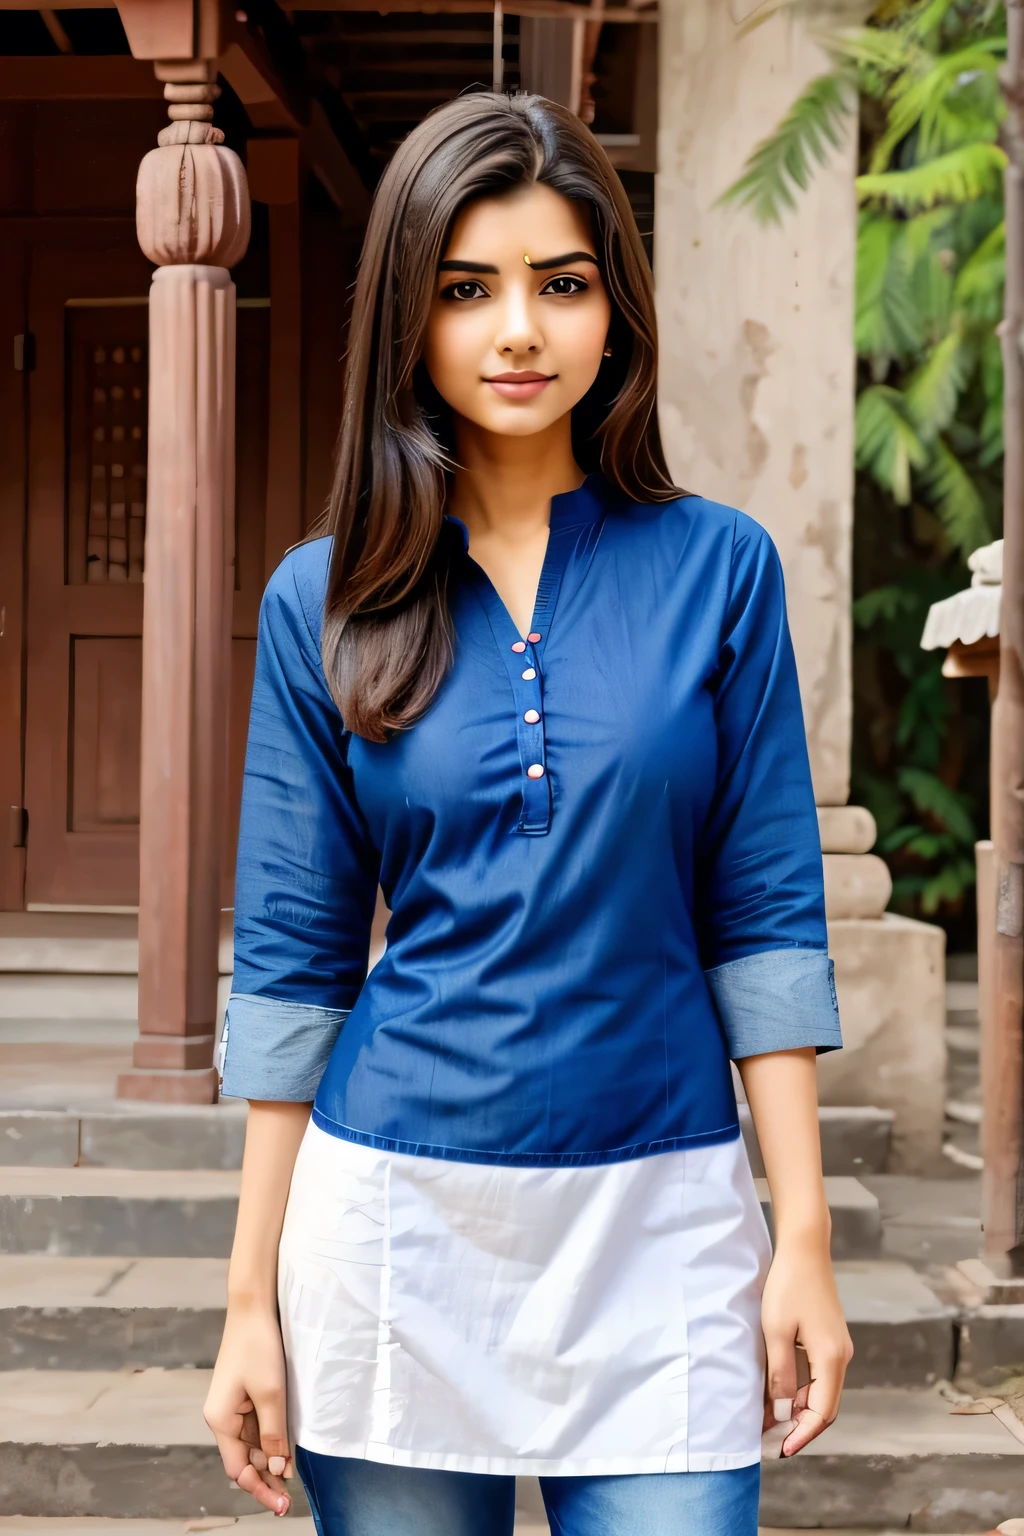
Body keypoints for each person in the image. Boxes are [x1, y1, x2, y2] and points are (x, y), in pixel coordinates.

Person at [204, 91, 853, 1536]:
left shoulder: (720, 571)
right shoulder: (323, 601)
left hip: (668, 1218)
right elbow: (296, 964)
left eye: (562, 285)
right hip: (393, 1228)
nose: (518, 331)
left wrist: (799, 1237)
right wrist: (249, 1299)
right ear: (409, 322)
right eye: (466, 290)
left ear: (614, 310)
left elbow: (764, 924)